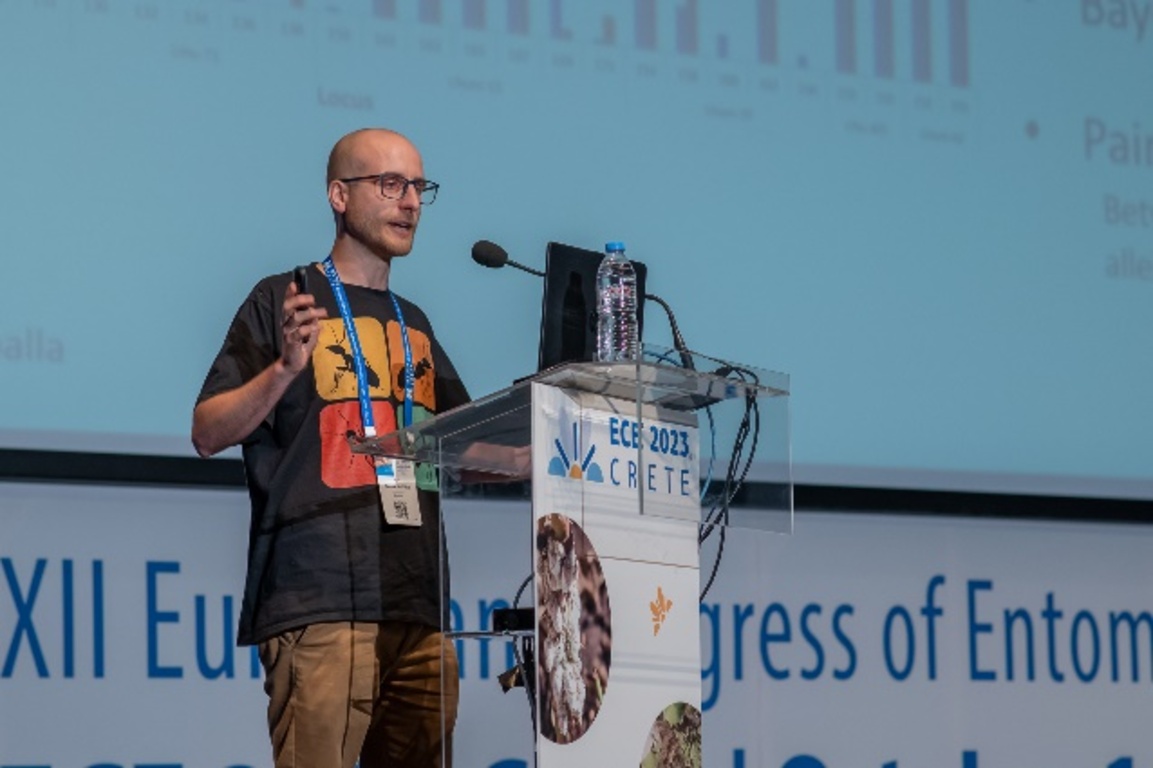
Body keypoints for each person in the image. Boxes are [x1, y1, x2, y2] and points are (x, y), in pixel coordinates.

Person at [192, 128, 468, 768]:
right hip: (321, 601)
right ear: (339, 196)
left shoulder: (414, 323)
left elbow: (467, 445)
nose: (409, 203)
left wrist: (557, 441)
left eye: (418, 187)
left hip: (418, 602)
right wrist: (285, 368)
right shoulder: (282, 299)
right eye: (389, 185)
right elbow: (207, 430)